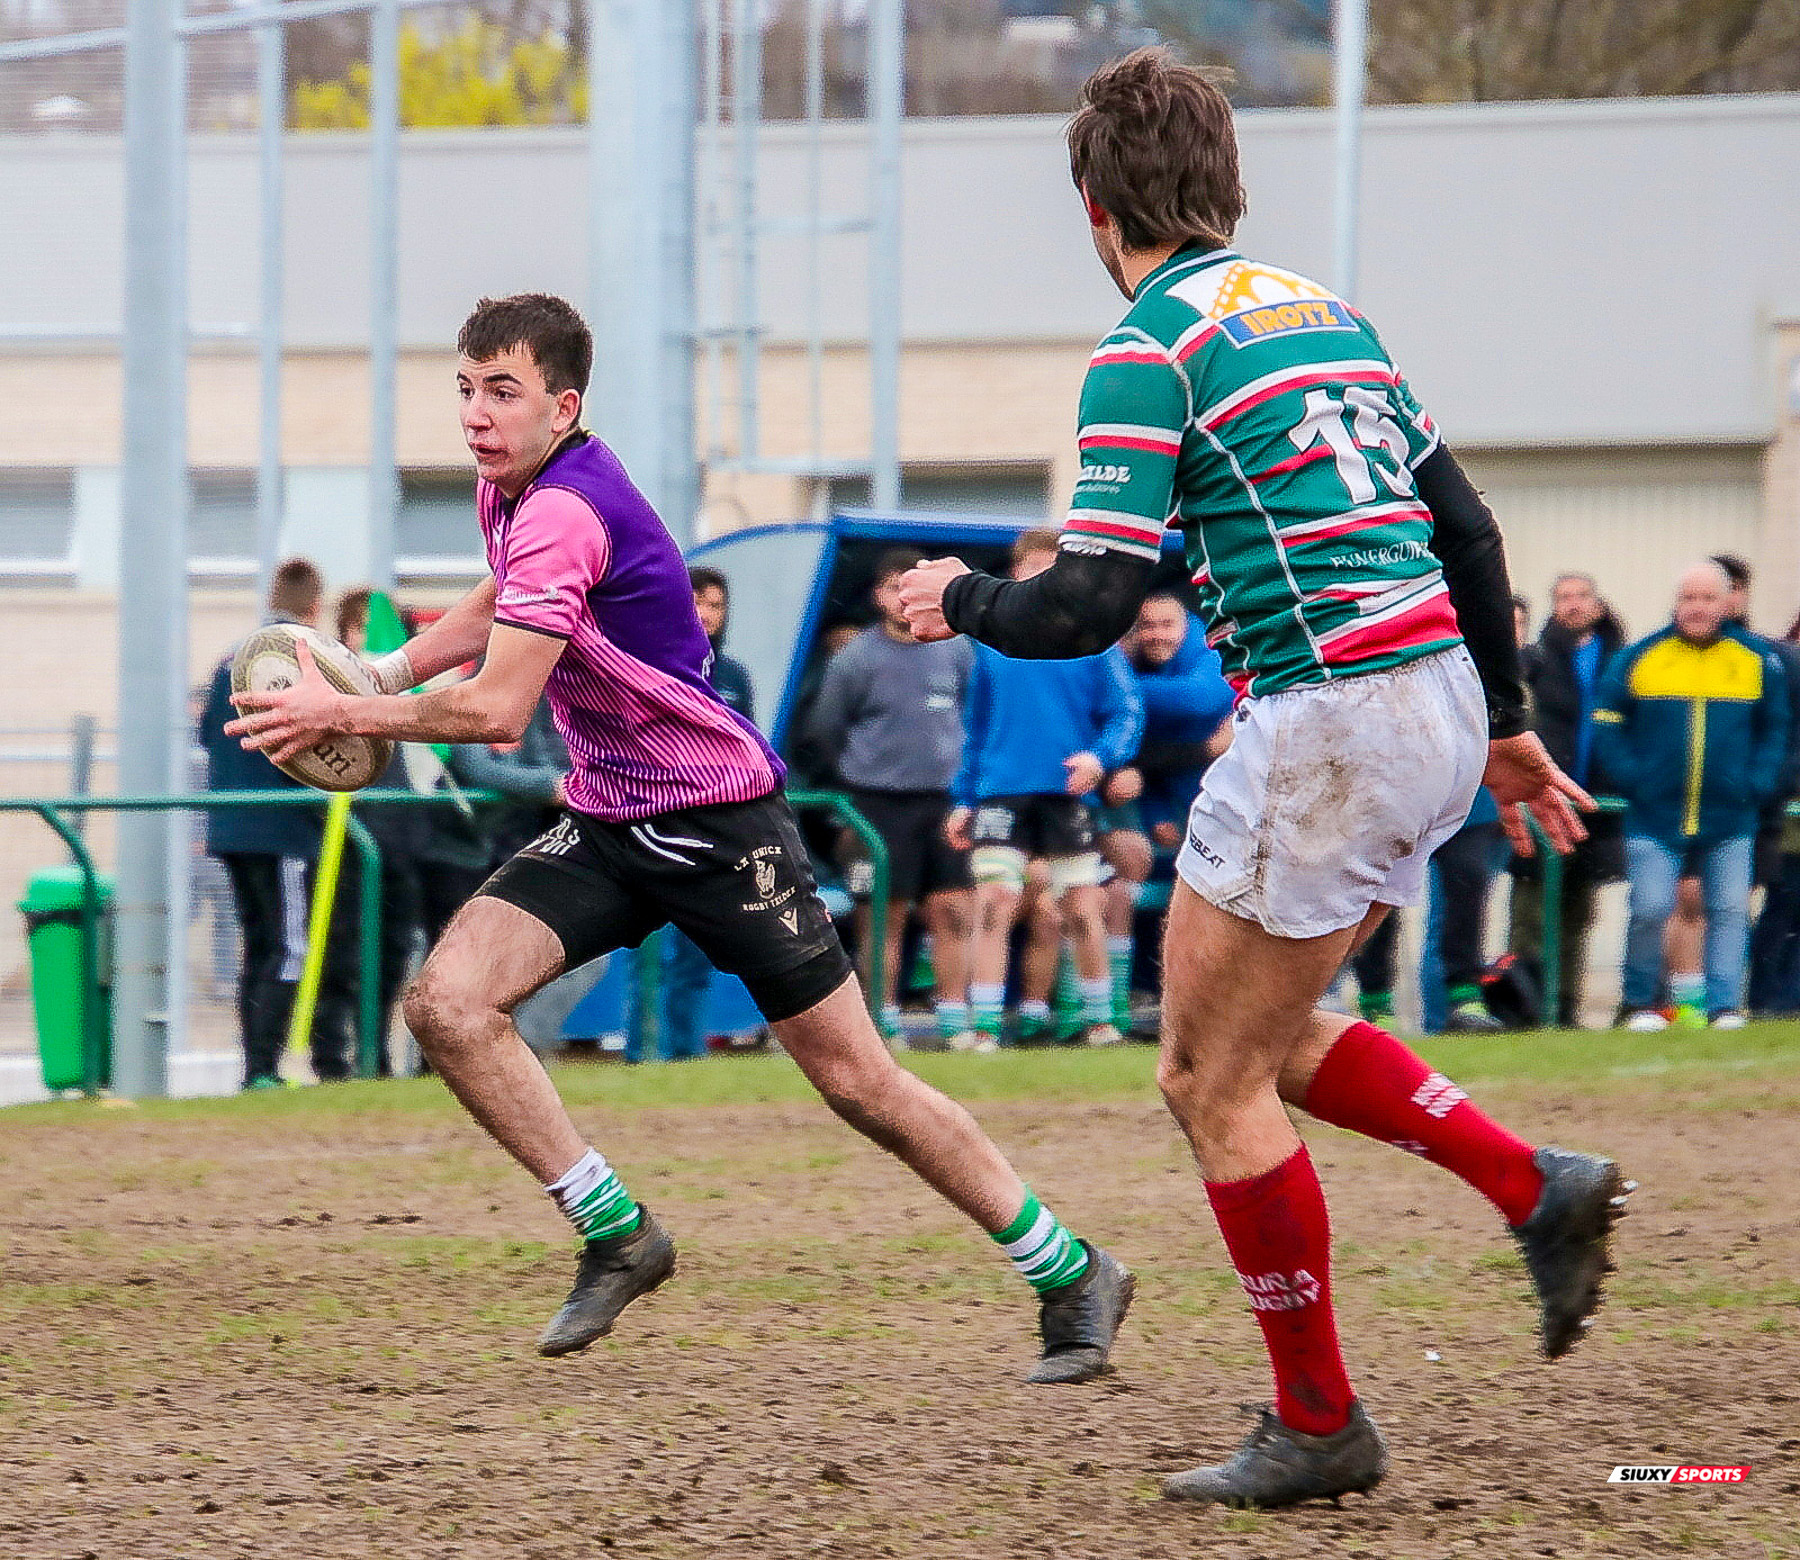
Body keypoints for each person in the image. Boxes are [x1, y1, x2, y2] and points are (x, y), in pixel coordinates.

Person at [900, 50, 1625, 1509]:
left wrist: (961, 598)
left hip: (1332, 719)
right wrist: (1500, 718)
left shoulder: (1152, 340)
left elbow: (1092, 601)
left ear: (1096, 206)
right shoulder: (1324, 314)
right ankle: (1528, 1186)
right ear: (1227, 184)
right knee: (1272, 1036)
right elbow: (1468, 530)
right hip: (1421, 701)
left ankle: (1321, 1422)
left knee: (1202, 1074)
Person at [226, 292, 1133, 1384]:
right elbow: (491, 610)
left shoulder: (566, 509)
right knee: (449, 1007)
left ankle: (1071, 1270)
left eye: (503, 390)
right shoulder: (510, 491)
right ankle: (618, 1234)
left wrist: (347, 713)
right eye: (465, 387)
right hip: (612, 817)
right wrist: (383, 671)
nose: (476, 411)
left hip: (716, 827)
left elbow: (499, 709)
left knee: (859, 1083)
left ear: (565, 406)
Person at [947, 528, 1144, 1051]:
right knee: (994, 901)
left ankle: (1101, 1022)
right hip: (1001, 792)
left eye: (1051, 572)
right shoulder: (989, 645)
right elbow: (976, 725)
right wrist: (963, 799)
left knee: (1081, 906)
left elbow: (1127, 713)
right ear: (1015, 573)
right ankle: (983, 1025)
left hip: (1065, 791)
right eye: (1034, 570)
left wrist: (1099, 759)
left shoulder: (1091, 639)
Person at [1596, 560, 1789, 1032]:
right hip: (1654, 814)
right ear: (1676, 602)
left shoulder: (1757, 660)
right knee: (1650, 908)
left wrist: (1757, 783)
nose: (1697, 608)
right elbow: (1606, 722)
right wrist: (1633, 778)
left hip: (1731, 816)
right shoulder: (1640, 656)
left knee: (1728, 911)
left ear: (1726, 603)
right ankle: (1640, 1003)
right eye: (1689, 598)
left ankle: (1724, 1006)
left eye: (1707, 599)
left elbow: (1776, 729)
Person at [802, 547, 978, 1049]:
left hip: (945, 801)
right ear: (880, 596)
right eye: (895, 591)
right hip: (877, 804)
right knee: (883, 917)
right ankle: (882, 1022)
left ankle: (955, 1020)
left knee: (953, 911)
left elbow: (973, 716)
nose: (905, 603)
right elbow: (824, 730)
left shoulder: (956, 650)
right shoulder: (856, 657)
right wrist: (858, 784)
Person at [198, 557, 330, 1090]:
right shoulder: (306, 657)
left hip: (231, 823)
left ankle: (255, 1065)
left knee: (259, 942)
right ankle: (264, 1069)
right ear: (315, 605)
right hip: (283, 825)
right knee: (286, 945)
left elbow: (210, 737)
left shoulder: (234, 656)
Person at [622, 566, 760, 1062]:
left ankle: (687, 1055)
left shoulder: (735, 677)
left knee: (700, 958)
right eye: (696, 603)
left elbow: (750, 751)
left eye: (716, 606)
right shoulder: (645, 664)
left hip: (717, 832)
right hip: (655, 825)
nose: (706, 615)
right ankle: (643, 1056)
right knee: (651, 958)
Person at [1507, 573, 1626, 1026]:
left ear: (1597, 603)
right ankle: (1523, 1006)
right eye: (1563, 598)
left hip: (1598, 808)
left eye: (1580, 596)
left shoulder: (1618, 658)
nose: (1572, 605)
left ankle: (1565, 1006)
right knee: (1531, 910)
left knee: (1579, 912)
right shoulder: (1535, 661)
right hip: (1543, 803)